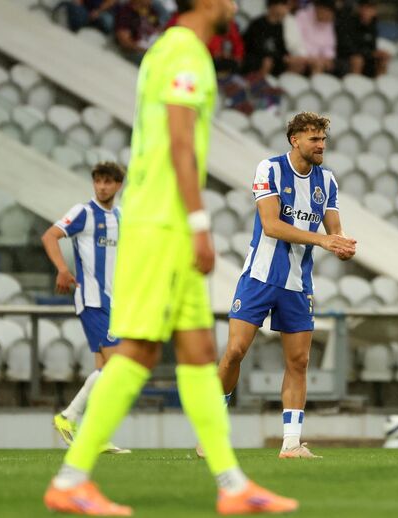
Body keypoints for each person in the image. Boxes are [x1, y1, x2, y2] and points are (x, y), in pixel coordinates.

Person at [43, 0, 299, 514]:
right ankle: (71, 480)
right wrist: (200, 223)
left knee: (199, 355)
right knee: (137, 352)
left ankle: (232, 485)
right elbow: (181, 142)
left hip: (164, 222)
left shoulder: (167, 49)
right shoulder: (186, 52)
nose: (234, 5)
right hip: (162, 224)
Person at [216, 111, 357, 459]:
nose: (321, 145)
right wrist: (323, 242)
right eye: (314, 139)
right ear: (295, 140)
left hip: (297, 284)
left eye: (323, 139)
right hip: (259, 277)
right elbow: (271, 225)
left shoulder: (328, 181)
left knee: (299, 361)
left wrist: (340, 243)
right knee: (235, 351)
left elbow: (333, 229)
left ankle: (291, 444)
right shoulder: (271, 169)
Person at [43, 162, 130, 455]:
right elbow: (50, 235)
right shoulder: (83, 212)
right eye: (98, 181)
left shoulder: (120, 216)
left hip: (113, 302)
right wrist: (62, 269)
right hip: (92, 300)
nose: (102, 187)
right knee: (118, 368)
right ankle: (68, 417)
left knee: (105, 371)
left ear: (118, 185)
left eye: (108, 182)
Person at [242, 0, 306, 76]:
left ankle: (284, 84)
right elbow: (256, 48)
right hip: (256, 59)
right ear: (273, 6)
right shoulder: (257, 24)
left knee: (298, 64)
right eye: (284, 6)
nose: (286, 9)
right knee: (267, 62)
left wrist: (289, 58)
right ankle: (258, 84)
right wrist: (283, 58)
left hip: (276, 60)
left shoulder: (280, 27)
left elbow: (281, 48)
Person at [335, 0, 390, 77]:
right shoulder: (348, 24)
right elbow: (346, 48)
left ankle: (380, 85)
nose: (368, 12)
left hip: (366, 58)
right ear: (359, 9)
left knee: (384, 57)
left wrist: (376, 53)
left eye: (371, 9)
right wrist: (369, 53)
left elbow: (372, 47)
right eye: (366, 8)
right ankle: (355, 86)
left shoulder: (372, 27)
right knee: (357, 60)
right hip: (347, 58)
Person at [293, 0, 337, 74]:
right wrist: (310, 57)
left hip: (319, 59)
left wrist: (328, 58)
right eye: (327, 14)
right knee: (314, 64)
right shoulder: (301, 16)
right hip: (301, 55)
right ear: (320, 9)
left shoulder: (328, 22)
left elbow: (329, 45)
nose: (329, 18)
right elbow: (297, 41)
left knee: (329, 65)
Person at [114, 0, 164, 64]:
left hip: (152, 47)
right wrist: (144, 50)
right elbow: (124, 41)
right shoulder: (126, 13)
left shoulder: (152, 12)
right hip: (134, 51)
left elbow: (159, 30)